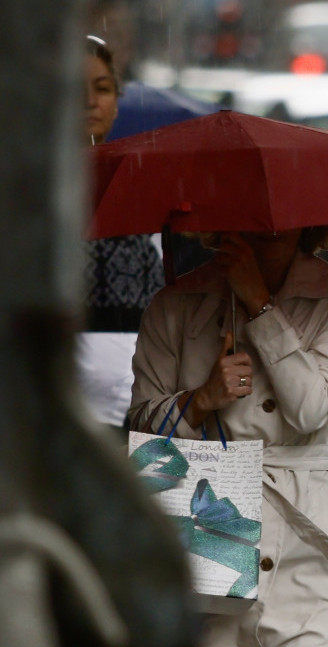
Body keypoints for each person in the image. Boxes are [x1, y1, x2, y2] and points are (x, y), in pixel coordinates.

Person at [128, 224, 328, 647]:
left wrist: (260, 307)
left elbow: (311, 408)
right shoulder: (177, 302)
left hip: (307, 544)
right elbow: (143, 434)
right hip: (207, 531)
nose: (264, 225)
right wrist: (200, 400)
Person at [79, 34, 165, 436]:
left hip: (139, 420)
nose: (90, 102)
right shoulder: (26, 194)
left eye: (102, 88)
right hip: (47, 419)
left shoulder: (144, 187)